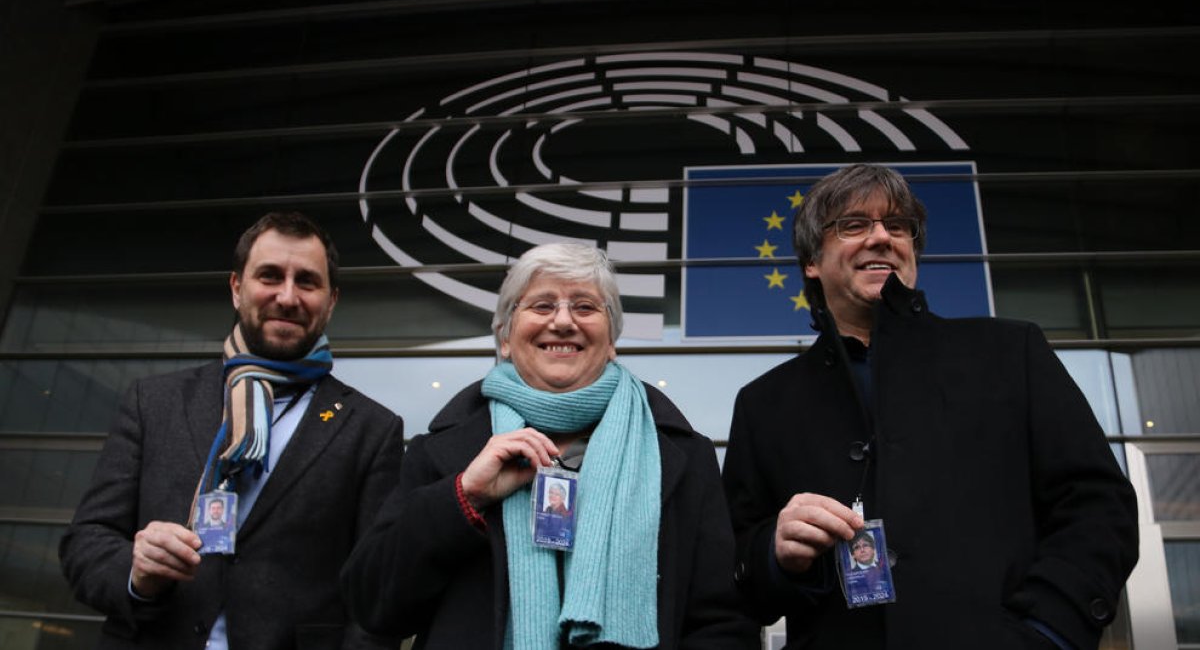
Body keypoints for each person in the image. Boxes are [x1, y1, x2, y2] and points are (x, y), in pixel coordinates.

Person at [721, 164, 1139, 649]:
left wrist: (1047, 633)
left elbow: (1098, 508)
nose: (881, 237)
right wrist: (773, 552)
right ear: (812, 261)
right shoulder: (764, 403)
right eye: (854, 225)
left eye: (897, 226)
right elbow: (730, 565)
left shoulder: (1010, 353)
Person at [341, 243, 757, 649]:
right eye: (541, 305)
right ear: (505, 337)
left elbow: (722, 621)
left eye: (585, 307)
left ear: (611, 339)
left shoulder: (682, 455)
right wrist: (464, 495)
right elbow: (374, 605)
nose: (562, 322)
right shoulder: (441, 452)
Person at [59, 212, 405, 650]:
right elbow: (85, 543)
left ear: (331, 300)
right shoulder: (155, 402)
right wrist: (136, 573)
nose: (287, 296)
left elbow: (374, 593)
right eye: (270, 276)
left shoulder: (371, 430)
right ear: (237, 287)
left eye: (307, 282)